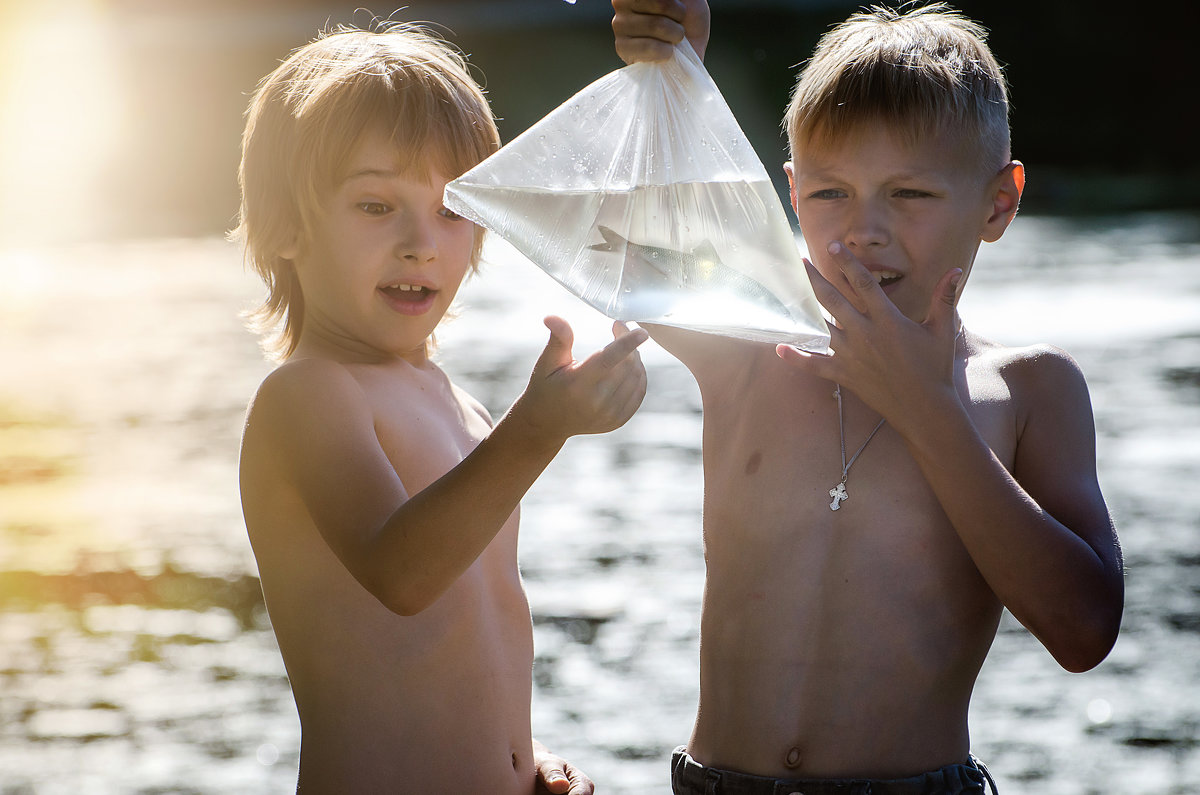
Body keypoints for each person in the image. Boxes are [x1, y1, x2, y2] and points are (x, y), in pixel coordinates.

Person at [611, 2, 1124, 793]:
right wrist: (674, 75)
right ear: (791, 191)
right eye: (829, 196)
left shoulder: (1028, 389)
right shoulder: (750, 346)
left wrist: (927, 407)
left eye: (910, 195)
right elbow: (619, 249)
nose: (862, 232)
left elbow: (1084, 628)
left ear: (998, 203)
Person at [234, 21, 650, 794]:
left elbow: (471, 640)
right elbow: (401, 573)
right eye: (374, 205)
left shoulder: (460, 406)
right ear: (289, 225)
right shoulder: (309, 394)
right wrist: (541, 427)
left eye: (452, 208)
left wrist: (529, 761)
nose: (421, 242)